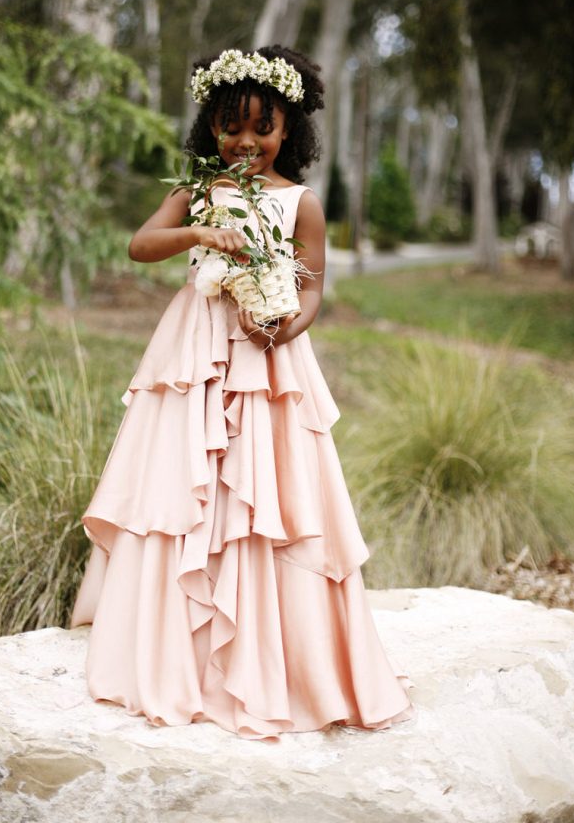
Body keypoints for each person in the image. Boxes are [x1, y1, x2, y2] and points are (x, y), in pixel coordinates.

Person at [70, 45, 416, 740]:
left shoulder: (300, 202)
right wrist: (199, 229)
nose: (245, 143)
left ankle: (273, 656)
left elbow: (313, 284)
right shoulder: (196, 189)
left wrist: (285, 329)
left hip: (266, 361)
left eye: (262, 128)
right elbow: (141, 245)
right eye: (230, 127)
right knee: (184, 487)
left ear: (289, 130)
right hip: (195, 354)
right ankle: (176, 650)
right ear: (210, 127)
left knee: (266, 495)